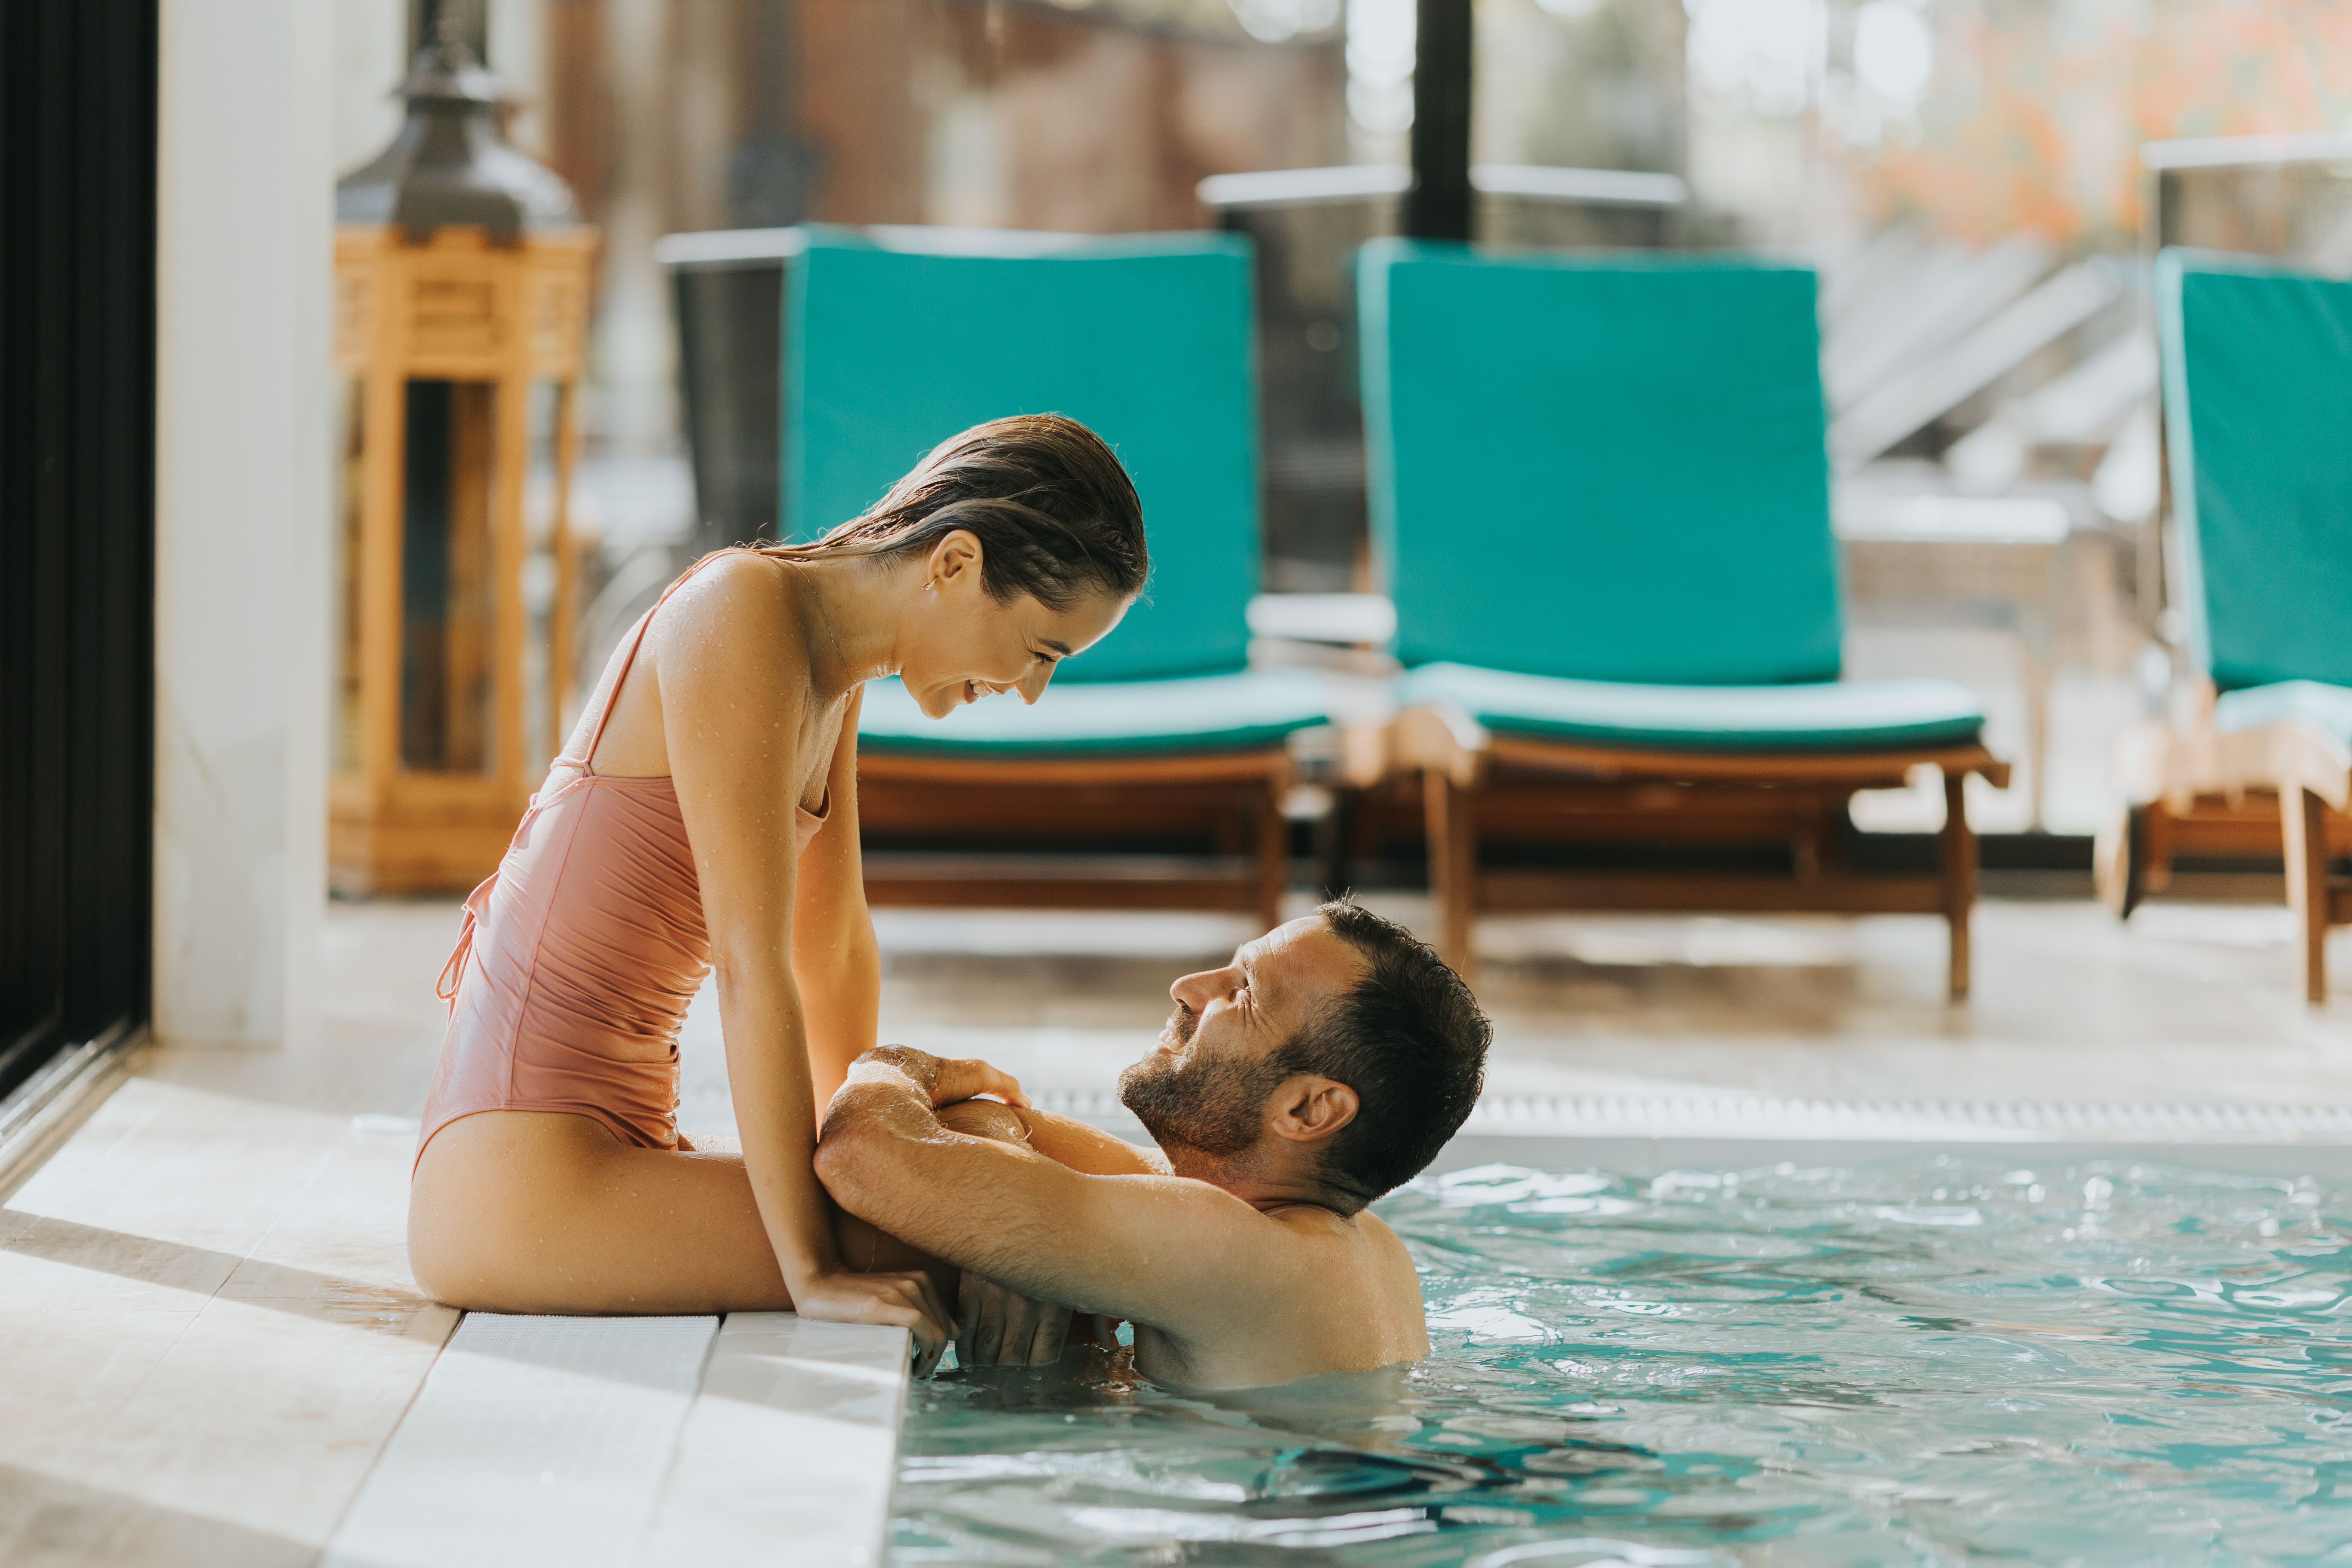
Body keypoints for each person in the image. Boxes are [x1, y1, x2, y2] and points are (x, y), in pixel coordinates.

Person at [407, 413, 1147, 1361]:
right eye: (1042, 649)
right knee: (994, 1220)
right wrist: (816, 1271)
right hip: (516, 1183)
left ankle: (1223, 1224)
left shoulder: (829, 672)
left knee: (982, 1147)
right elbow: (754, 969)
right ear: (956, 564)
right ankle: (1222, 1283)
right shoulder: (740, 609)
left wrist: (888, 1141)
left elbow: (831, 950)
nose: (1032, 688)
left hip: (608, 1153)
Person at [815, 900, 1492, 1390]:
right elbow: (988, 1126)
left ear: (1309, 1109)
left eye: (1244, 992)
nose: (1189, 989)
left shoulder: (1239, 1252)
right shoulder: (1343, 1239)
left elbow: (863, 1155)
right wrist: (1005, 1225)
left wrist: (895, 1063)